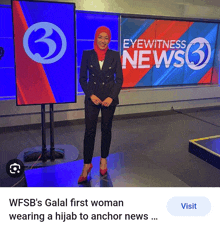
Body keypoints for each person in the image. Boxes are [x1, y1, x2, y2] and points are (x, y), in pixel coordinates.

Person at [78, 26, 123, 183]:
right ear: (96, 38)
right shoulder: (87, 55)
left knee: (106, 130)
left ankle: (103, 160)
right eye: (100, 37)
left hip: (109, 99)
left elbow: (119, 79)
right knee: (89, 131)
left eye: (106, 38)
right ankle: (86, 164)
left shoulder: (114, 55)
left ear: (109, 40)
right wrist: (91, 95)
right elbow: (82, 79)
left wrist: (111, 97)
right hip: (93, 98)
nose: (103, 41)